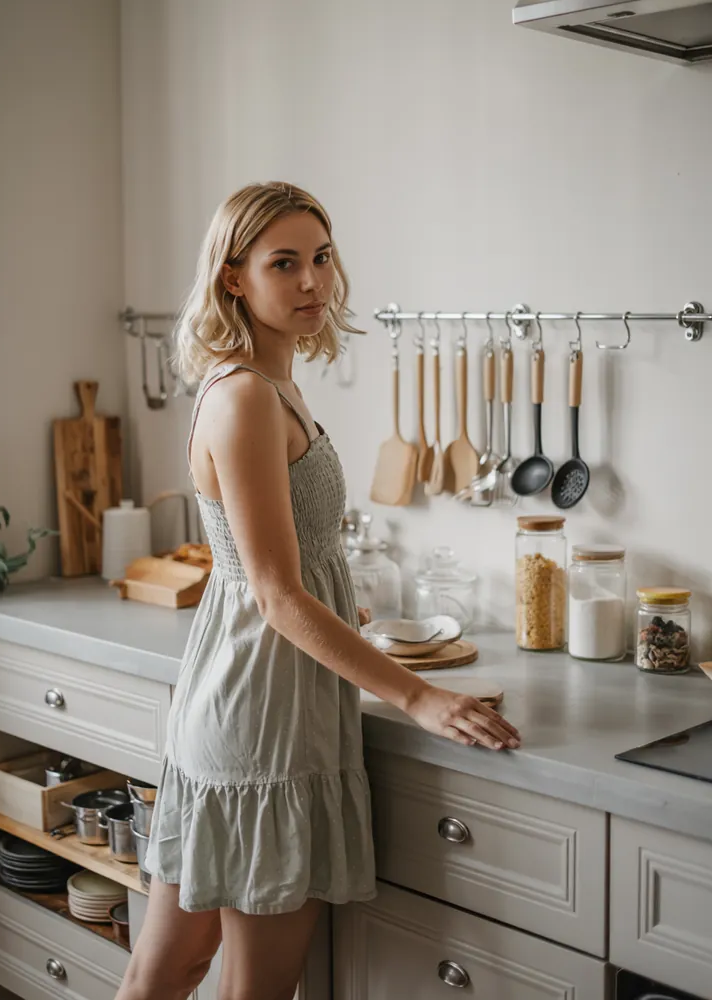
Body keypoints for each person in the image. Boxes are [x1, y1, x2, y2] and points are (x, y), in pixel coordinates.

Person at [116, 181, 521, 1000]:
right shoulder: (244, 399)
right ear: (235, 278)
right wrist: (417, 699)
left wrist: (351, 610)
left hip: (260, 700)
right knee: (233, 986)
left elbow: (293, 565)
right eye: (285, 263)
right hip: (260, 718)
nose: (312, 282)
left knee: (169, 972)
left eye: (322, 258)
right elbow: (275, 594)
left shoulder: (275, 388)